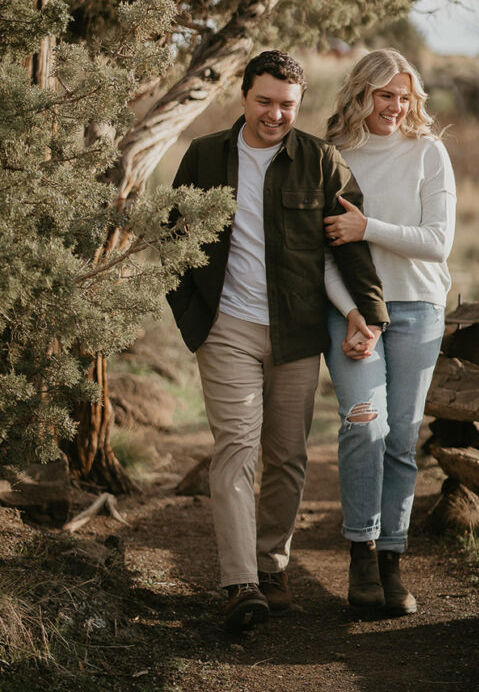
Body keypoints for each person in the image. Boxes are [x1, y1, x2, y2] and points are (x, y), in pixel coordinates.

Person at [167, 49, 389, 632]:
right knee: (237, 446)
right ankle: (241, 583)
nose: (275, 115)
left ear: (300, 104)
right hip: (226, 328)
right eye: (264, 101)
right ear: (243, 98)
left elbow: (349, 243)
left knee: (287, 456)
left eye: (287, 105)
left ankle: (272, 565)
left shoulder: (321, 161)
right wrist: (194, 318)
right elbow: (172, 242)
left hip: (296, 333)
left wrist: (369, 314)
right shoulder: (204, 156)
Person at [323, 48, 456, 616]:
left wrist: (367, 227)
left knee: (401, 439)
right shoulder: (335, 155)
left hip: (420, 308)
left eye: (404, 96)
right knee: (362, 425)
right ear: (361, 94)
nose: (395, 107)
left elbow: (437, 242)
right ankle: (361, 549)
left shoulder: (429, 152)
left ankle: (391, 561)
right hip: (351, 311)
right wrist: (351, 312)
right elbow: (324, 249)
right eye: (384, 95)